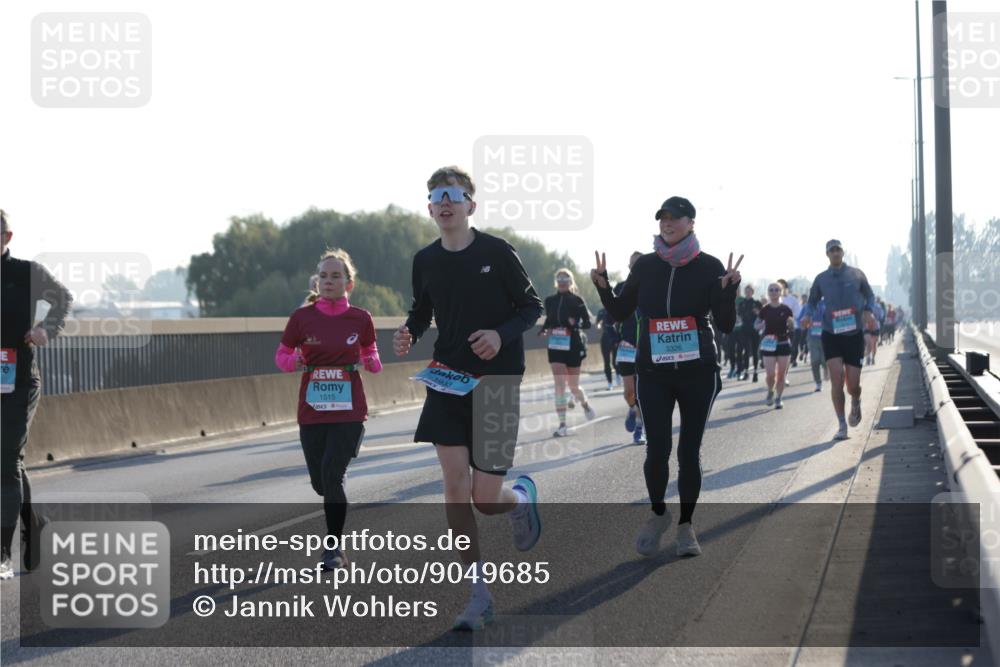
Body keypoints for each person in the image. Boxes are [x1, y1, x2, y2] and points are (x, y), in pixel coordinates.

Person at [393, 166, 544, 631]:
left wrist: (500, 336)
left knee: (484, 498)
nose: (444, 203)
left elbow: (532, 308)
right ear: (430, 207)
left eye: (453, 195)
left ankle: (518, 500)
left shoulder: (496, 252)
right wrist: (409, 332)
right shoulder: (425, 259)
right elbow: (423, 309)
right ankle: (478, 594)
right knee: (454, 485)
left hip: (497, 382)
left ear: (470, 205)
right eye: (436, 196)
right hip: (447, 379)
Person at [592, 196, 742, 558]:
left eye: (675, 218)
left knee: (689, 452)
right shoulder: (645, 265)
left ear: (691, 223)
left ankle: (686, 527)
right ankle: (659, 513)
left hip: (698, 372)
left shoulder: (709, 266)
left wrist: (729, 291)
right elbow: (620, 310)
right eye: (663, 218)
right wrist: (602, 285)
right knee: (657, 449)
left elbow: (724, 323)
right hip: (653, 372)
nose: (667, 223)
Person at [275, 249, 381, 571]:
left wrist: (371, 361)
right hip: (312, 411)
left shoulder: (361, 318)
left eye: (336, 276)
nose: (328, 281)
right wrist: (295, 361)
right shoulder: (301, 318)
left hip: (349, 411)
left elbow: (372, 354)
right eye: (323, 276)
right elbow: (282, 356)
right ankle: (332, 491)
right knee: (321, 483)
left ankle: (333, 550)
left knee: (332, 477)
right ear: (316, 281)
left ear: (349, 284)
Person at [1, 209, 74, 580]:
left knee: (6, 458)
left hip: (20, 378)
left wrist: (48, 327)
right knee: (8, 461)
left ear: (7, 238)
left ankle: (2, 555)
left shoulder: (26, 273)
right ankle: (36, 525)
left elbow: (62, 298)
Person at [801, 239, 876, 440]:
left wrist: (869, 311)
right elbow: (812, 302)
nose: (835, 253)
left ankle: (856, 400)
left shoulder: (857, 274)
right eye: (831, 250)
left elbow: (870, 296)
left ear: (843, 253)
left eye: (838, 250)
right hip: (831, 333)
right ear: (827, 254)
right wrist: (807, 316)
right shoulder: (821, 279)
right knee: (837, 379)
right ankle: (842, 424)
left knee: (853, 384)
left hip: (853, 334)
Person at [539, 270, 597, 437]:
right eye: (559, 278)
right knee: (559, 385)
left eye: (565, 279)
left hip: (573, 344)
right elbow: (549, 319)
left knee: (573, 386)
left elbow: (587, 323)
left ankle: (584, 404)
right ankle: (562, 424)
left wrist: (575, 323)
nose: (562, 281)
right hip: (556, 345)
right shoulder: (550, 301)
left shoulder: (577, 300)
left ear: (571, 282)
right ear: (556, 282)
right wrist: (544, 330)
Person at [614, 252, 646, 445]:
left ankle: (640, 429)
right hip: (626, 347)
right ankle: (633, 408)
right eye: (633, 264)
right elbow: (610, 318)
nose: (636, 267)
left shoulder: (652, 286)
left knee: (642, 390)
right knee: (629, 393)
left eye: (639, 263)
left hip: (646, 347)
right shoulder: (620, 288)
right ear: (628, 267)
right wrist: (616, 339)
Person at [758, 284, 795, 409]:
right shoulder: (765, 309)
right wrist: (759, 326)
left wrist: (791, 324)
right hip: (769, 343)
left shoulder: (786, 309)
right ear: (768, 292)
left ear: (781, 292)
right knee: (770, 375)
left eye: (776, 290)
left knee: (781, 375)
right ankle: (770, 390)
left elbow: (792, 326)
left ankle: (778, 398)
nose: (773, 292)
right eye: (771, 290)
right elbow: (756, 324)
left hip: (783, 342)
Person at [735, 285, 761, 382]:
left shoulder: (757, 303)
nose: (748, 293)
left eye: (749, 291)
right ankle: (746, 372)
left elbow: (762, 316)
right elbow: (738, 316)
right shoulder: (742, 303)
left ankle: (755, 372)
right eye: (746, 291)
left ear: (752, 292)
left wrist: (757, 312)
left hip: (754, 330)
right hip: (744, 329)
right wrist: (738, 320)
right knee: (745, 351)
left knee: (754, 351)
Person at [777, 280, 802, 368]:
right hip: (776, 328)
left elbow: (798, 313)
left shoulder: (793, 299)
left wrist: (788, 317)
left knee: (792, 345)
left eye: (781, 287)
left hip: (791, 326)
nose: (779, 289)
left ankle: (793, 359)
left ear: (786, 288)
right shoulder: (774, 300)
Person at [595, 306, 621, 391]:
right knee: (606, 362)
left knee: (615, 360)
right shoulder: (601, 312)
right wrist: (599, 325)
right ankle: (610, 383)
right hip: (605, 338)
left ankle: (618, 374)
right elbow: (597, 324)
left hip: (614, 337)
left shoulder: (615, 309)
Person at [806, 299, 828, 392]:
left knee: (824, 361)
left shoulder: (830, 302)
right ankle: (818, 383)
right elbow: (800, 321)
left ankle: (827, 369)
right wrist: (806, 322)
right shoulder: (808, 306)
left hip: (827, 337)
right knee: (814, 361)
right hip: (812, 337)